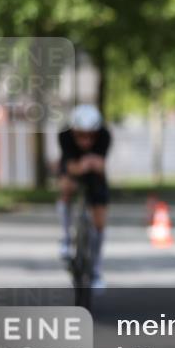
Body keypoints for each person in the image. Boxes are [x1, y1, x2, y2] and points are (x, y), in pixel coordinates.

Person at [57, 104, 111, 289]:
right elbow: (71, 166)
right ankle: (65, 238)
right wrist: (84, 164)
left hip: (95, 175)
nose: (86, 140)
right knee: (66, 186)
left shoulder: (105, 135)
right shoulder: (64, 136)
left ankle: (96, 269)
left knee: (100, 219)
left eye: (91, 135)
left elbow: (101, 165)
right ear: (73, 131)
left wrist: (89, 164)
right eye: (81, 135)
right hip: (73, 169)